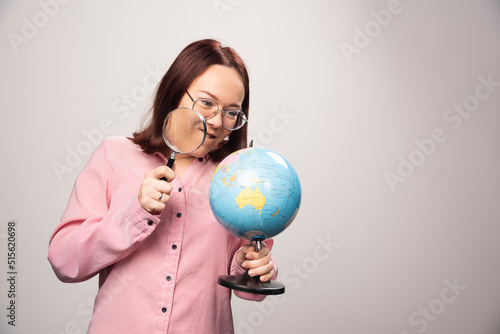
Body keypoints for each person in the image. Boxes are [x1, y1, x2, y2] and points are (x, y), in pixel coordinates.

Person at [48, 39, 278, 333]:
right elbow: (64, 262)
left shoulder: (237, 179)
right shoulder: (113, 156)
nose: (219, 122)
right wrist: (134, 212)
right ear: (173, 93)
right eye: (206, 103)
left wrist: (252, 268)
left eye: (231, 112)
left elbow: (250, 290)